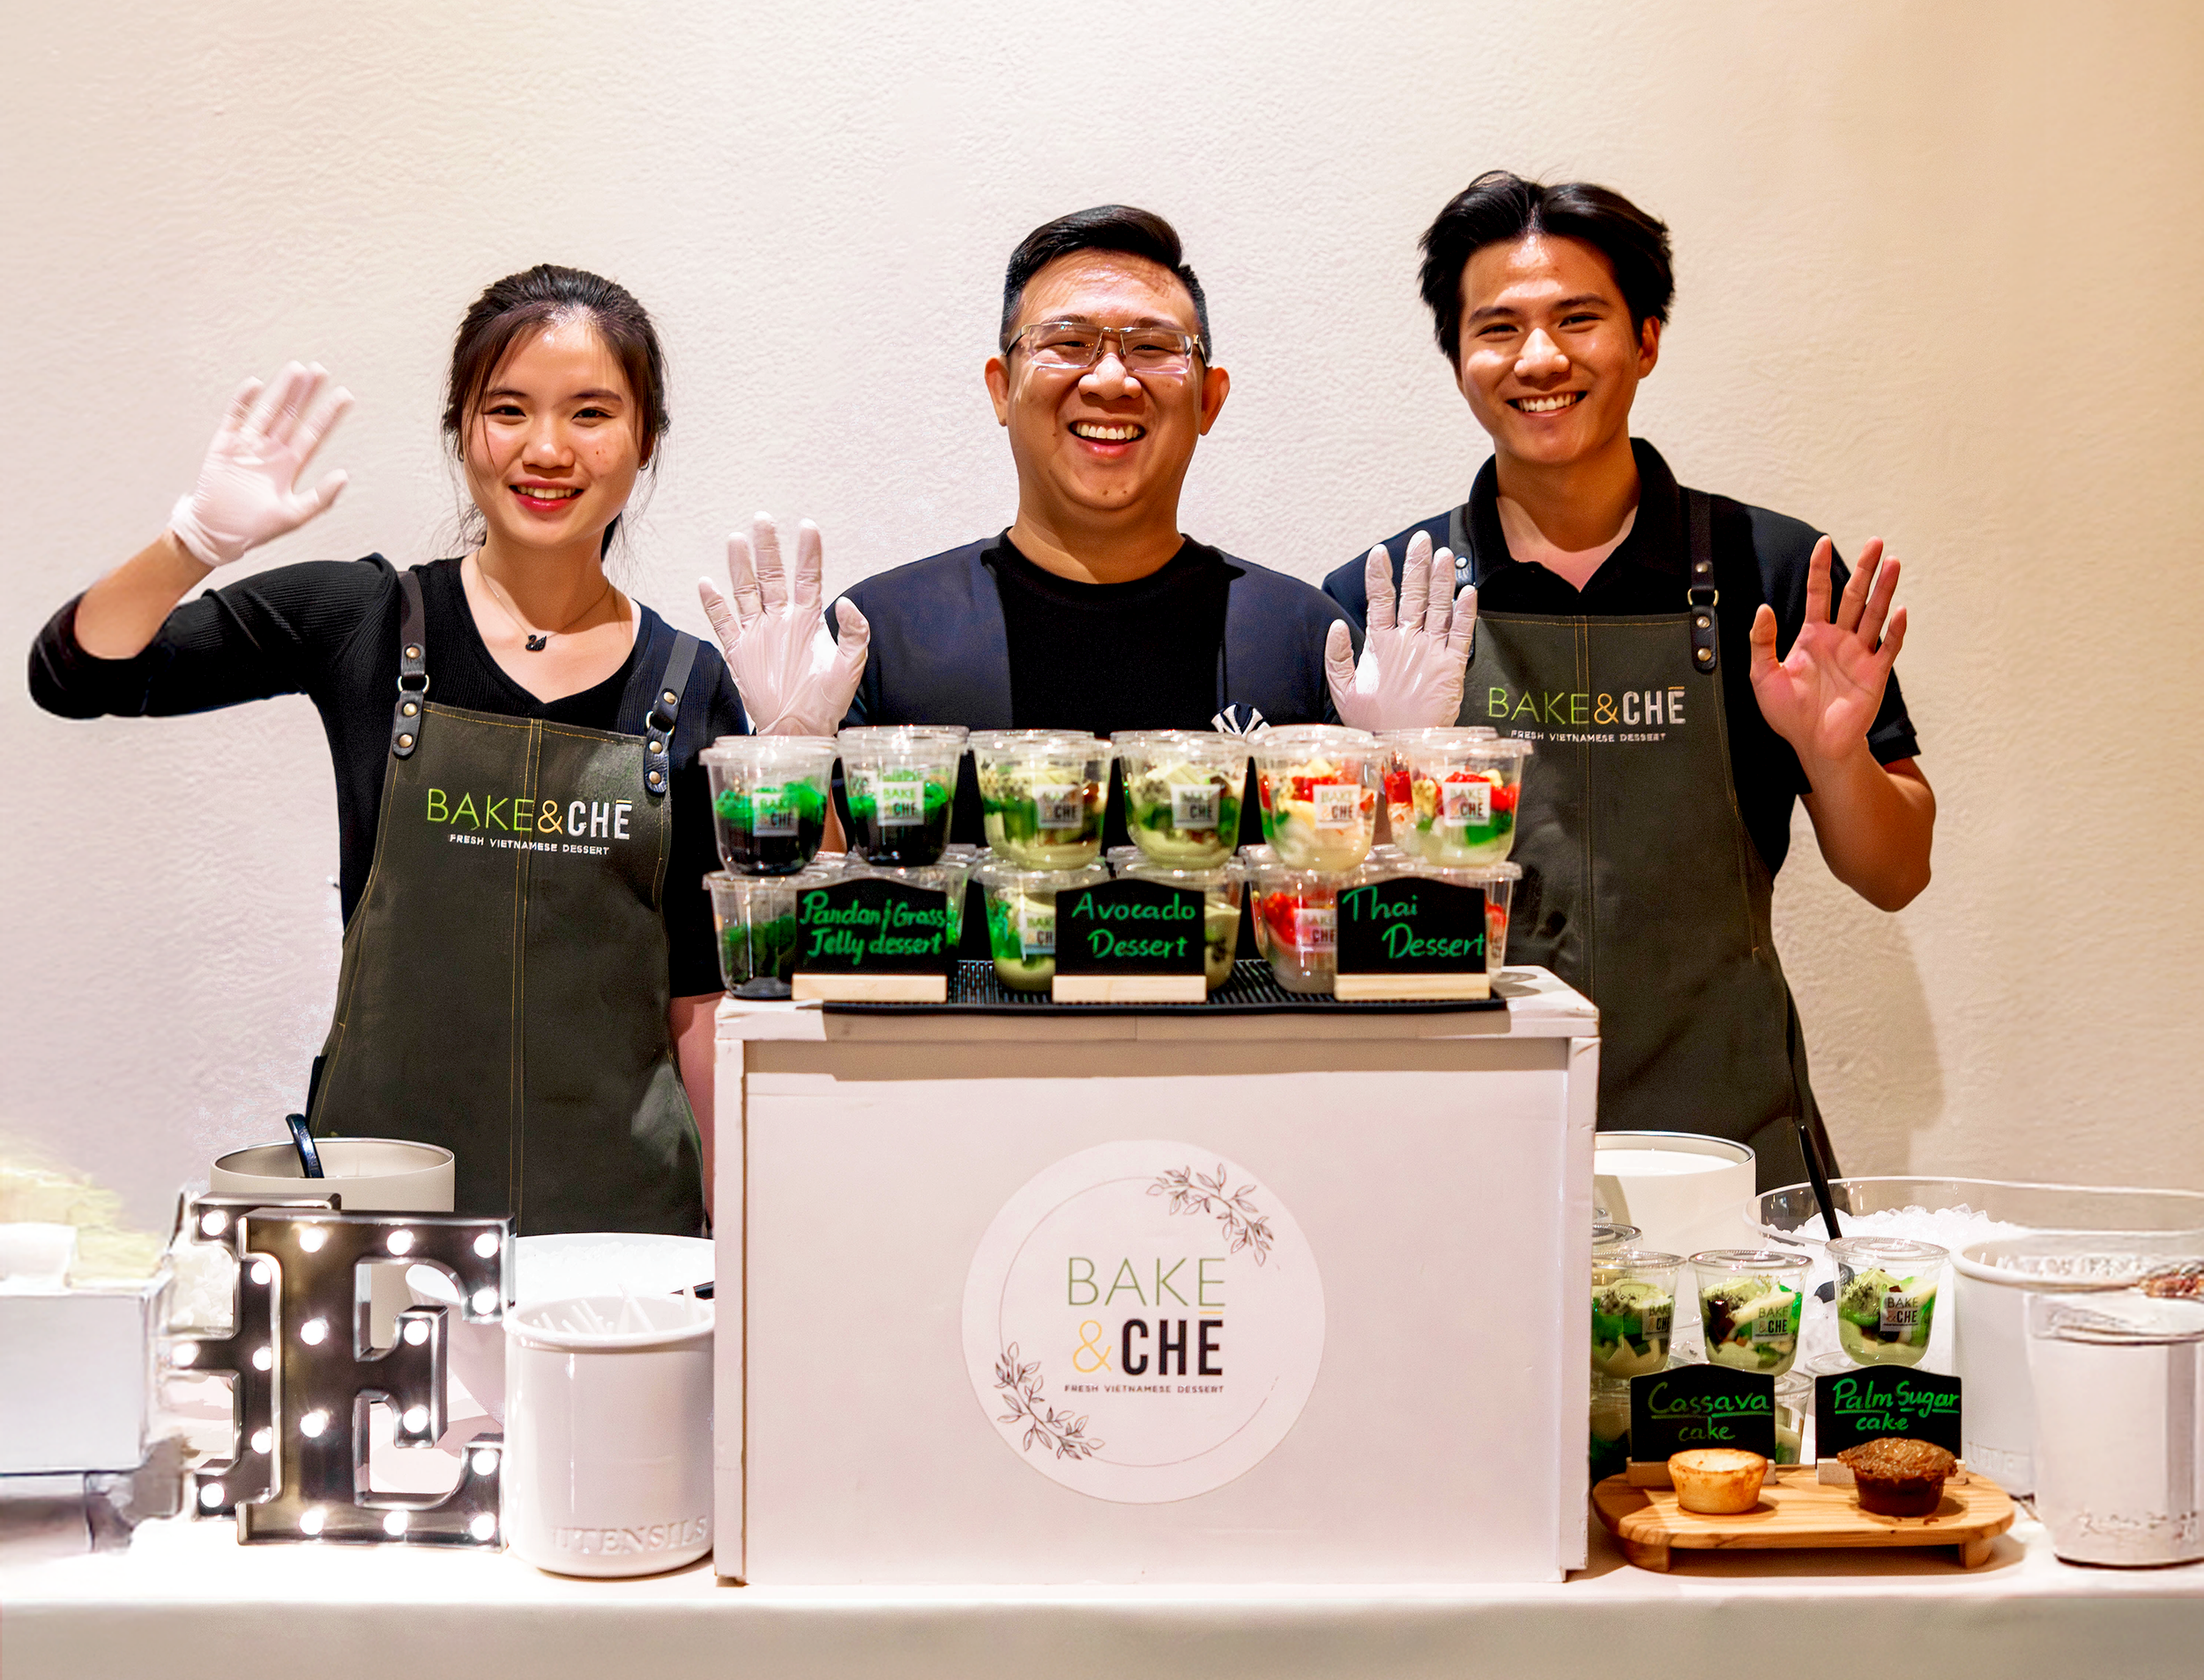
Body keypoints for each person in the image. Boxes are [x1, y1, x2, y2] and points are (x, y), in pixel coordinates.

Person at [30, 264, 803, 1232]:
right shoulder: (363, 621)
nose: (547, 448)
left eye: (592, 413)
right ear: (460, 430)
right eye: (508, 408)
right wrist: (195, 541)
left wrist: (739, 1237)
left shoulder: (690, 685)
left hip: (622, 1233)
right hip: (381, 1213)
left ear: (646, 441)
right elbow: (78, 676)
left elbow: (701, 994)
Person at [1324, 173, 1932, 1182]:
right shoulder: (1395, 604)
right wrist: (1398, 762)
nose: (1539, 359)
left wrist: (1835, 759)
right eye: (1498, 328)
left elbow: (1894, 873)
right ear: (1457, 360)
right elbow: (1333, 911)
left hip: (1731, 1147)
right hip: (1463, 1142)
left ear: (1645, 339)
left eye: (1578, 319)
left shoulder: (1773, 577)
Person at [822, 205, 1456, 824]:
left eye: (1153, 347)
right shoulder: (876, 639)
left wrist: (1405, 761)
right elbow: (807, 911)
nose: (1109, 378)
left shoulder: (1309, 642)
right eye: (1067, 342)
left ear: (1209, 400)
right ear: (1001, 389)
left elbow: (1366, 913)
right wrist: (793, 745)